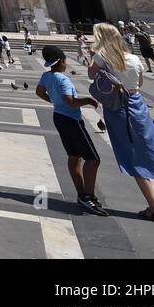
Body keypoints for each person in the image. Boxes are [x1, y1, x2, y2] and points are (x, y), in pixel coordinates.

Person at [87, 22, 154, 224]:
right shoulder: (134, 58)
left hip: (118, 107)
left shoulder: (102, 56)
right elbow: (140, 83)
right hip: (138, 104)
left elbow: (91, 75)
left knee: (133, 155)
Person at [35, 45, 107, 216]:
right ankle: (88, 196)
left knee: (74, 157)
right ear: (62, 61)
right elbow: (71, 101)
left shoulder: (47, 75)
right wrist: (88, 101)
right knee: (93, 159)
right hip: (71, 120)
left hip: (59, 117)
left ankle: (81, 194)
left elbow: (39, 92)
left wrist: (54, 101)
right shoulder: (63, 79)